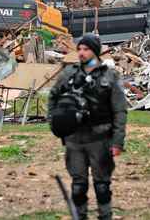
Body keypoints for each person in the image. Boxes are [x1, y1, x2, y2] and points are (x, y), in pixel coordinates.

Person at [48, 33, 128, 220]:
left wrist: (117, 141)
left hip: (100, 139)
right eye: (80, 49)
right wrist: (56, 122)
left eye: (87, 49)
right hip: (75, 140)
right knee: (78, 185)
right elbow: (53, 97)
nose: (82, 53)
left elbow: (120, 111)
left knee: (102, 185)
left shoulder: (109, 76)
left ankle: (105, 216)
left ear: (95, 51)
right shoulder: (69, 74)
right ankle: (80, 216)